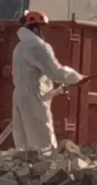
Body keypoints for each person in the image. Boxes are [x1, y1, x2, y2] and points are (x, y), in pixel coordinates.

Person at [7, 19, 81, 155]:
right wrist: (77, 78)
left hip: (19, 96)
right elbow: (55, 72)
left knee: (23, 143)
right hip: (34, 97)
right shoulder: (37, 46)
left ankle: (25, 166)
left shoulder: (20, 47)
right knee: (43, 142)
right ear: (35, 29)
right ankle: (45, 165)